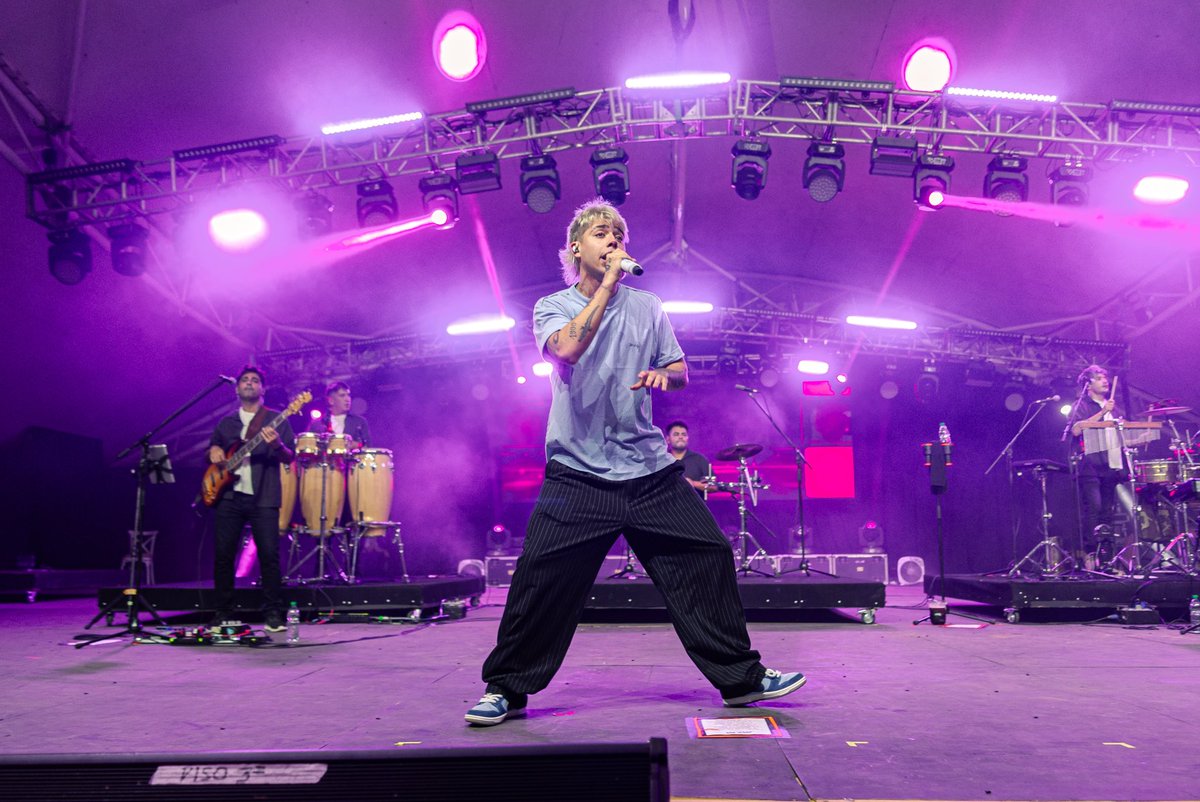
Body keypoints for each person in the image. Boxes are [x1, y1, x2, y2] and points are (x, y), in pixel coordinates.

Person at [465, 199, 805, 726]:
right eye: (604, 234)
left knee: (708, 551)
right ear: (577, 247)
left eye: (620, 235)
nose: (616, 242)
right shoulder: (551, 307)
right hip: (578, 472)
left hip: (648, 469)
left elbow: (679, 369)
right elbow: (568, 352)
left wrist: (662, 378)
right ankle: (505, 689)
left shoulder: (647, 306)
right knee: (541, 576)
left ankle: (741, 679)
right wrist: (604, 287)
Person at [207, 365, 296, 631]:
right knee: (224, 555)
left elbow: (289, 457)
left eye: (255, 380)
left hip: (264, 496)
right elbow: (214, 450)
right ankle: (223, 612)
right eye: (244, 380)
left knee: (269, 555)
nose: (249, 383)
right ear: (236, 389)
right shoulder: (226, 422)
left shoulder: (276, 418)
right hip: (229, 497)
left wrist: (277, 445)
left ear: (262, 389)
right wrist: (212, 449)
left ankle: (272, 613)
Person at [1070, 364, 1126, 566]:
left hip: (1110, 464)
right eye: (1099, 378)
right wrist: (1103, 412)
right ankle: (1090, 554)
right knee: (1094, 508)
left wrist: (1140, 438)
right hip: (1090, 465)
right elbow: (1076, 430)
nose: (1105, 381)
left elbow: (1118, 436)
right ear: (1088, 383)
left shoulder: (1114, 407)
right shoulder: (1082, 405)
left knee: (1107, 512)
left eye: (1105, 377)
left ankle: (1107, 558)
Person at [307, 381, 371, 447]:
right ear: (331, 401)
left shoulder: (359, 422)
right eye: (342, 395)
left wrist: (355, 444)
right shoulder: (318, 424)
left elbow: (368, 447)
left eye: (348, 395)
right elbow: (309, 447)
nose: (348, 399)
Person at [665, 420, 712, 493]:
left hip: (693, 503)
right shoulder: (662, 460)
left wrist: (693, 483)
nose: (680, 437)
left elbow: (714, 486)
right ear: (668, 439)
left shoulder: (699, 459)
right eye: (676, 434)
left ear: (688, 438)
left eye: (684, 434)